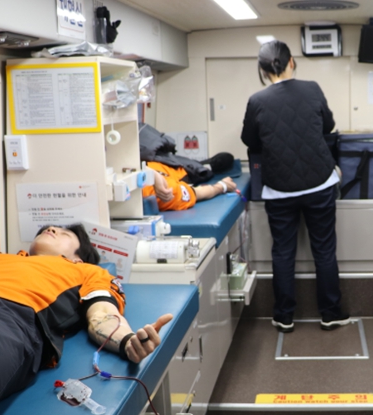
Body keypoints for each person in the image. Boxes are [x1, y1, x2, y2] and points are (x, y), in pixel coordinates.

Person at [0, 224, 173, 415]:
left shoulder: (87, 272)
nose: (52, 229)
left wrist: (126, 341)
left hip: (6, 318)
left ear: (77, 258)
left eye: (64, 234)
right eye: (48, 229)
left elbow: (102, 314)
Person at [240, 40, 349, 334]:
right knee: (324, 250)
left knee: (283, 252)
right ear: (291, 62)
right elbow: (328, 126)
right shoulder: (312, 89)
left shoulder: (257, 100)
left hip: (279, 189)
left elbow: (249, 140)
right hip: (319, 183)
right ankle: (330, 314)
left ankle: (284, 316)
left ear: (263, 69)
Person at [142, 161, 237, 211]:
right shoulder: (159, 190)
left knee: (226, 159)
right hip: (179, 168)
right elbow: (197, 193)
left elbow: (197, 192)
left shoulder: (160, 189)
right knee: (225, 159)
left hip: (175, 165)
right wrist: (222, 185)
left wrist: (221, 186)